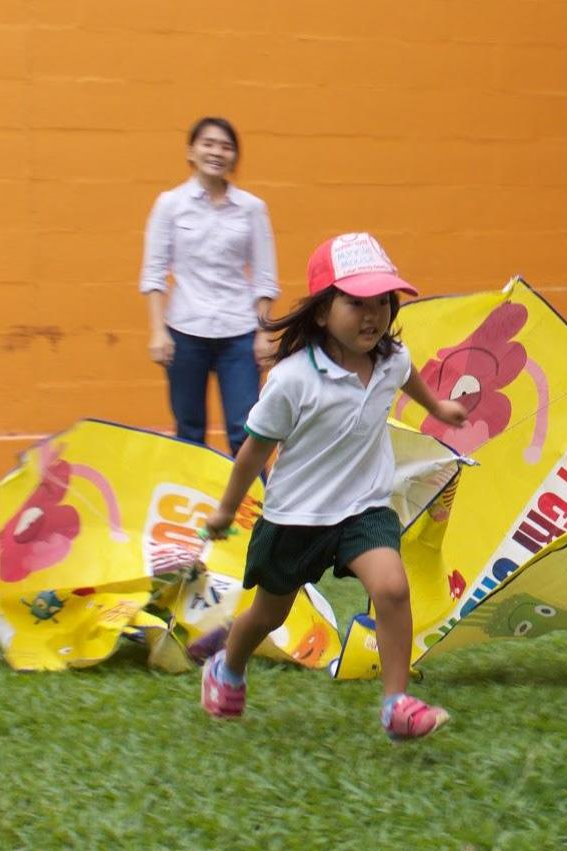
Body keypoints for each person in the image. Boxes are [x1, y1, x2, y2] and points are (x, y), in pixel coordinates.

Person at [197, 233, 468, 741]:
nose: (372, 315)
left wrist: (438, 409)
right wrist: (225, 510)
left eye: (382, 302)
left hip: (363, 508)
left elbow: (406, 374)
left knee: (391, 587)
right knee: (269, 612)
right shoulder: (293, 380)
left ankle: (397, 703)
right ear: (322, 312)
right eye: (356, 303)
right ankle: (227, 666)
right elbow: (254, 450)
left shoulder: (390, 359)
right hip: (295, 516)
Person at [140, 116, 279, 454]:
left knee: (245, 430)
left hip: (239, 334)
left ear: (234, 156)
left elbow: (264, 277)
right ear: (192, 151)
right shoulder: (170, 205)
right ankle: (194, 506)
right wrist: (158, 331)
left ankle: (255, 506)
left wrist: (262, 333)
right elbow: (154, 273)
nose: (217, 152)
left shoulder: (251, 209)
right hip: (185, 332)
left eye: (226, 146)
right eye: (208, 144)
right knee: (189, 431)